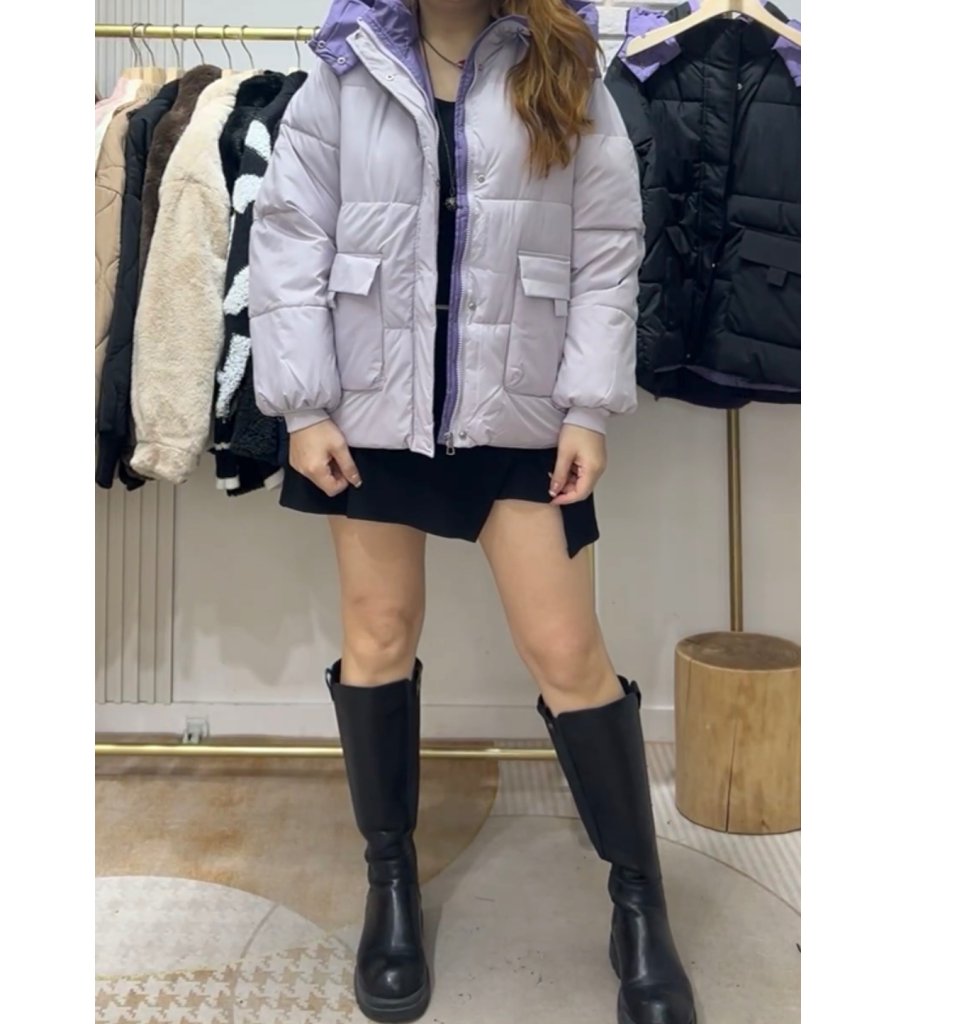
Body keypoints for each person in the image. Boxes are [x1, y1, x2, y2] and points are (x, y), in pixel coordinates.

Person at [248, 1, 696, 1022]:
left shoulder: (561, 63)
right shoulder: (346, 70)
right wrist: (303, 407)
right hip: (373, 408)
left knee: (567, 652)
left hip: (520, 409)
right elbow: (288, 238)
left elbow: (607, 246)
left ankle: (639, 901)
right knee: (378, 636)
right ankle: (391, 884)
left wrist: (587, 408)